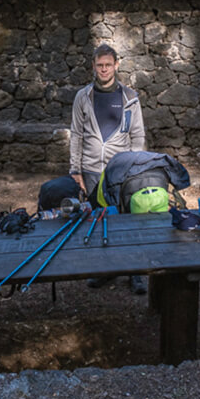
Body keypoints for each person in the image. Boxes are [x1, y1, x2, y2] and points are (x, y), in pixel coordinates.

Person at [69, 44, 147, 293]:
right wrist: (75, 169)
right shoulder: (83, 96)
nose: (104, 69)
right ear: (93, 66)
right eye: (99, 65)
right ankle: (106, 269)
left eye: (108, 65)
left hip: (121, 169)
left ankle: (135, 272)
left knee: (128, 218)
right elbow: (76, 134)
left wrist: (137, 167)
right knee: (99, 219)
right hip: (91, 169)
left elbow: (138, 135)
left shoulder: (130, 97)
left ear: (116, 65)